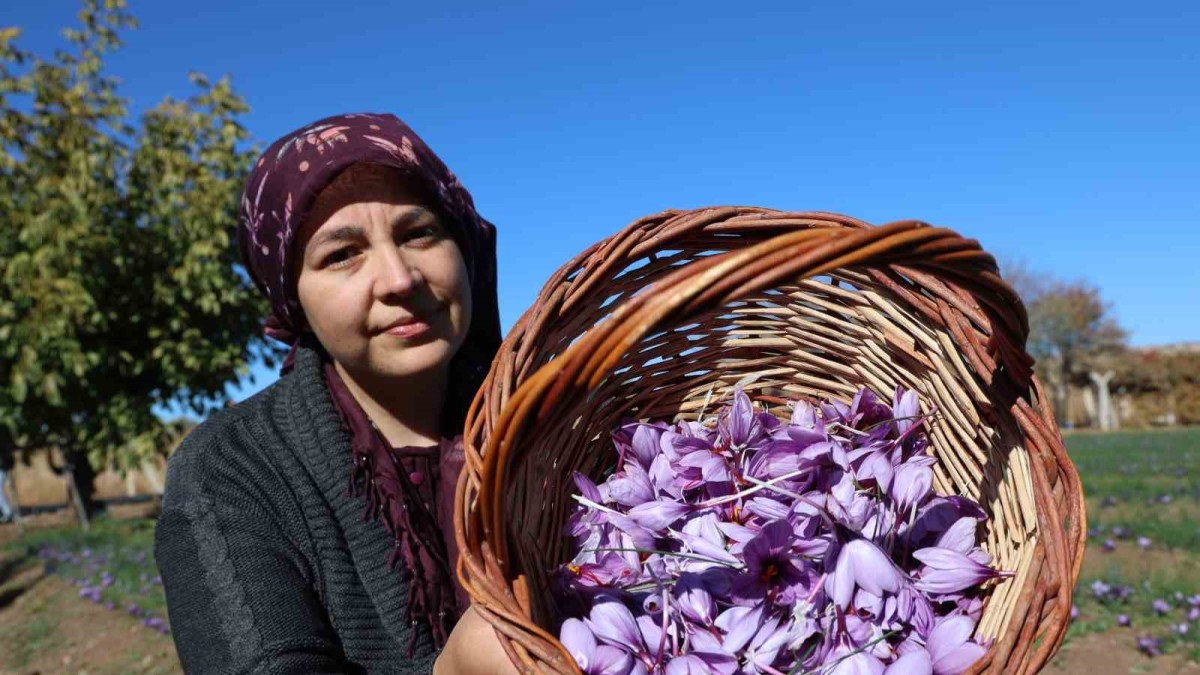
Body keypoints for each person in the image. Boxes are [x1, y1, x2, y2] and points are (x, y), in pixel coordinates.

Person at [155, 113, 518, 674]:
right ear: (293, 299)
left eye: (419, 232)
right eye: (342, 254)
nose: (400, 278)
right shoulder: (230, 469)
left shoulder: (544, 421)